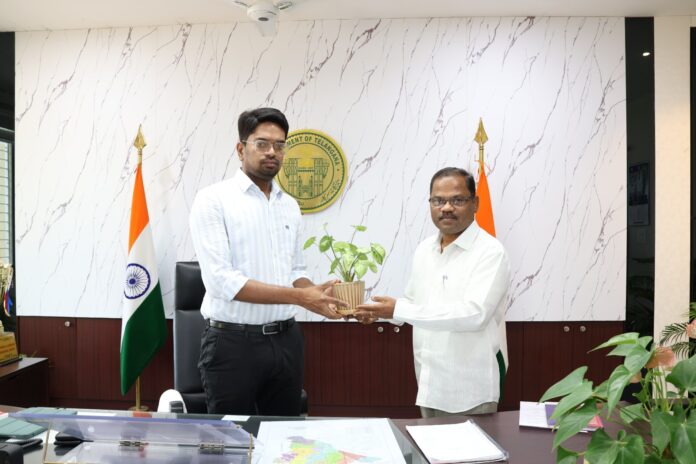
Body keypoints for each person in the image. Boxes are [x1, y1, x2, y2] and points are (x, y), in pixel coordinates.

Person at [189, 107, 345, 416]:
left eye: (279, 145)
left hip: (286, 341)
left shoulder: (289, 205)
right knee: (233, 436)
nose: (272, 152)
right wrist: (301, 297)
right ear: (241, 149)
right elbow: (221, 281)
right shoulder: (213, 200)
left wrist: (318, 294)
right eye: (262, 143)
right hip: (232, 343)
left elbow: (295, 270)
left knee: (284, 435)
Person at [355, 167, 510, 417]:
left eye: (457, 200)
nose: (446, 208)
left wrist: (398, 309)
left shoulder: (490, 252)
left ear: (475, 203)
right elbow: (413, 302)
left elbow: (474, 315)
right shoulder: (424, 249)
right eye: (438, 200)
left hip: (469, 390)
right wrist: (377, 312)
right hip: (428, 383)